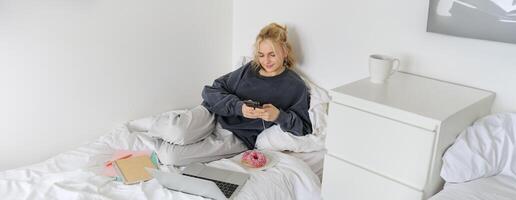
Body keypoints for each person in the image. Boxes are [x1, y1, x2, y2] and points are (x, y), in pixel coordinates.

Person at [156, 23, 312, 166]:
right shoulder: (250, 69)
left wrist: (278, 116)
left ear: (285, 51)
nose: (266, 61)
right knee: (174, 131)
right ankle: (157, 129)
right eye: (261, 55)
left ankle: (171, 141)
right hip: (213, 114)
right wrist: (239, 107)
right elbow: (210, 90)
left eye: (272, 54)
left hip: (237, 137)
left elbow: (304, 127)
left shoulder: (295, 86)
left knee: (169, 157)